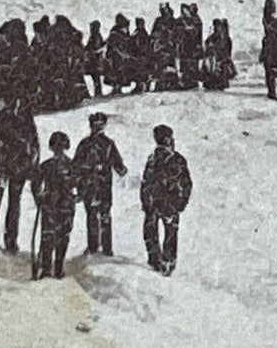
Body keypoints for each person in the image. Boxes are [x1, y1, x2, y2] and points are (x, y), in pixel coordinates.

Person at [0, 96, 39, 253]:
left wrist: (33, 169)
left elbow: (34, 145)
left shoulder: (27, 119)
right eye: (13, 99)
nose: (16, 103)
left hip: (19, 169)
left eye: (20, 99)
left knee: (14, 205)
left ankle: (11, 242)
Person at [140, 124, 193, 275]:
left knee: (164, 234)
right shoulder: (157, 159)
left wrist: (179, 204)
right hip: (158, 203)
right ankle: (158, 262)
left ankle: (164, 263)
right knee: (156, 232)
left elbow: (185, 184)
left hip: (166, 203)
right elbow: (146, 182)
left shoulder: (173, 159)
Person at [73, 112, 127, 255]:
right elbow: (119, 166)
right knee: (101, 215)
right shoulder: (106, 144)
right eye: (96, 126)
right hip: (98, 185)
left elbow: (75, 166)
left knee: (97, 215)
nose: (97, 129)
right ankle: (102, 248)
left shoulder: (87, 144)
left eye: (99, 126)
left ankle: (97, 247)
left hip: (95, 185)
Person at [30, 131, 77, 280]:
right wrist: (39, 197)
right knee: (53, 238)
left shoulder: (69, 165)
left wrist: (39, 197)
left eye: (61, 147)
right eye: (58, 147)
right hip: (55, 206)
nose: (59, 150)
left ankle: (54, 269)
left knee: (56, 238)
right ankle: (50, 269)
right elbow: (35, 182)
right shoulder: (51, 165)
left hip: (60, 205)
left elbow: (80, 181)